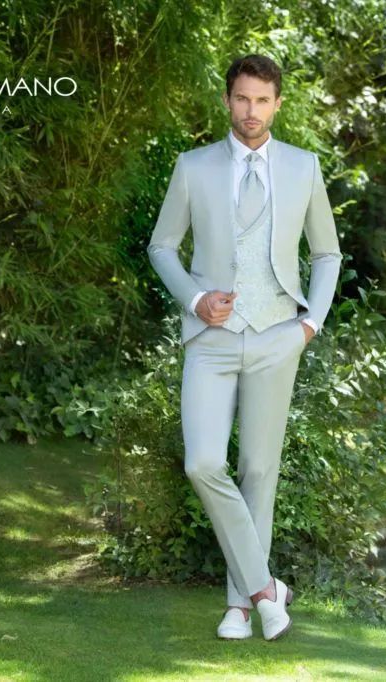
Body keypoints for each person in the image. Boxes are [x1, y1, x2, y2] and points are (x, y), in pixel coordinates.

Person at [146, 53, 342, 641]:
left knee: (258, 470)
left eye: (261, 100)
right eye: (241, 98)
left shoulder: (304, 167)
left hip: (278, 334)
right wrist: (194, 298)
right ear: (227, 100)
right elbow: (162, 247)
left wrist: (309, 325)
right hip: (210, 339)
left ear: (277, 104)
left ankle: (239, 607)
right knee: (203, 463)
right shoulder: (194, 166)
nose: (251, 110)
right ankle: (266, 589)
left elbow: (327, 253)